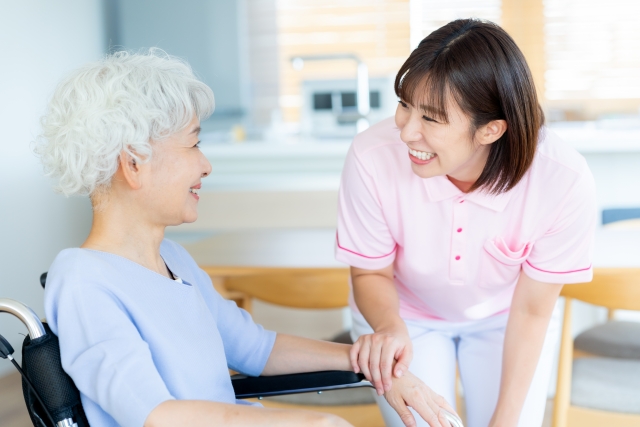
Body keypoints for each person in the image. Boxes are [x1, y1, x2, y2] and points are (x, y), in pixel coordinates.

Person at [35, 50, 459, 427]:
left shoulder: (174, 260)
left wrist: (371, 362)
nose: (205, 165)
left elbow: (257, 350)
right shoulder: (83, 282)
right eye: (194, 144)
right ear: (133, 163)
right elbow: (155, 415)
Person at [336, 19, 596, 427]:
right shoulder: (372, 155)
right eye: (405, 105)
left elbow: (530, 310)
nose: (406, 132)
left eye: (432, 119)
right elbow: (369, 272)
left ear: (490, 129)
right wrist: (389, 328)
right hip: (402, 314)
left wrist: (505, 419)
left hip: (507, 318)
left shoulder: (561, 178)